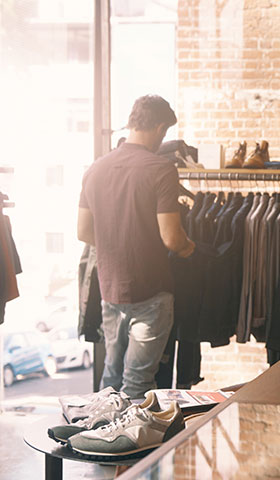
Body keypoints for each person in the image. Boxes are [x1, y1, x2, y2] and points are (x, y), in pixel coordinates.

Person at [78, 95, 195, 398]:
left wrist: (118, 240)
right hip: (150, 292)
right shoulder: (161, 169)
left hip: (110, 290)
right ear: (158, 128)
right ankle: (128, 444)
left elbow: (83, 231)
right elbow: (172, 238)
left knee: (111, 378)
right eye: (164, 132)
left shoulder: (95, 169)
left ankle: (99, 437)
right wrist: (189, 248)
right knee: (138, 384)